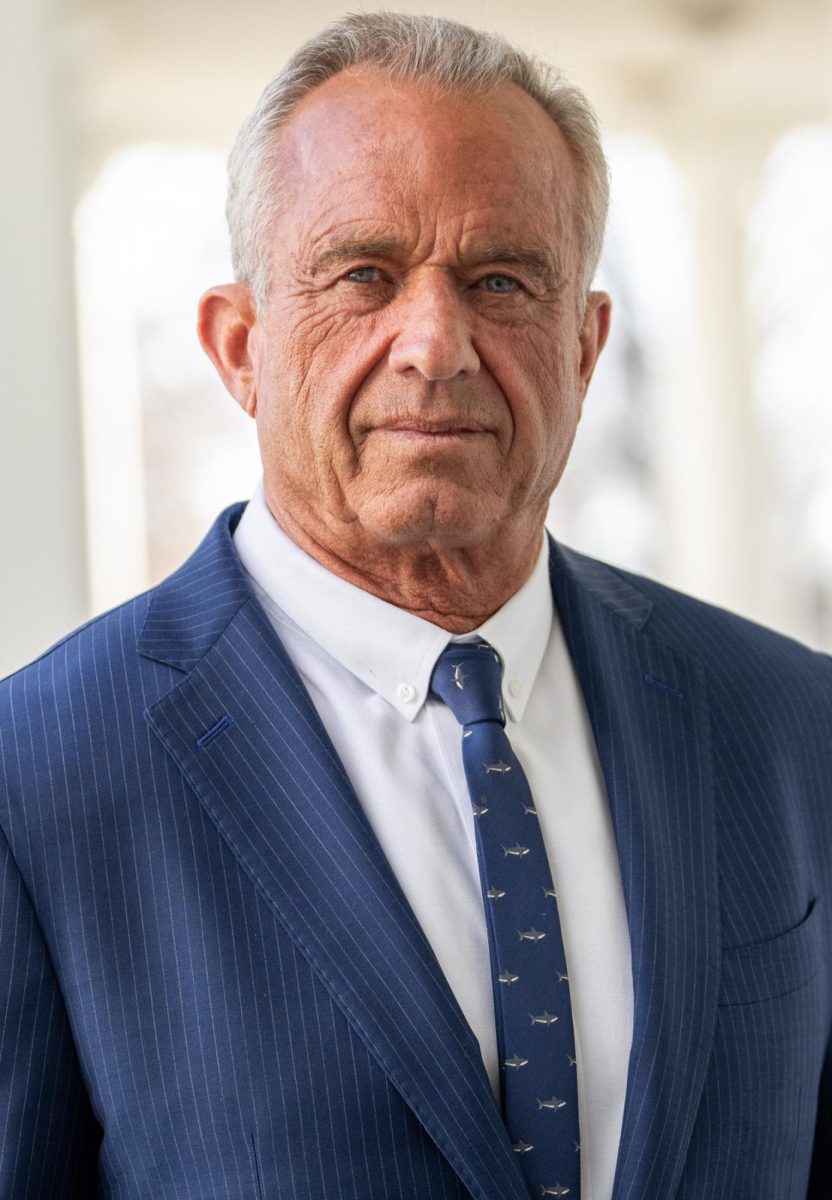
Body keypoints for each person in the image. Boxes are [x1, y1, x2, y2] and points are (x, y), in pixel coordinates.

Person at [1, 11, 829, 1199]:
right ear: (240, 347)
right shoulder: (34, 783)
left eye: (500, 279)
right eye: (362, 275)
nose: (433, 344)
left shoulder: (792, 727)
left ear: (584, 349)